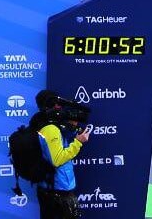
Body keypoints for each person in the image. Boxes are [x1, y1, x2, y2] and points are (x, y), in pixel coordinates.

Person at [33, 90, 92, 219]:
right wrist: (78, 142)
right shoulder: (50, 129)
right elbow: (57, 159)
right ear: (49, 105)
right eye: (56, 103)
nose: (60, 106)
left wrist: (72, 127)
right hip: (56, 190)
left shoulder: (51, 125)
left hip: (57, 188)